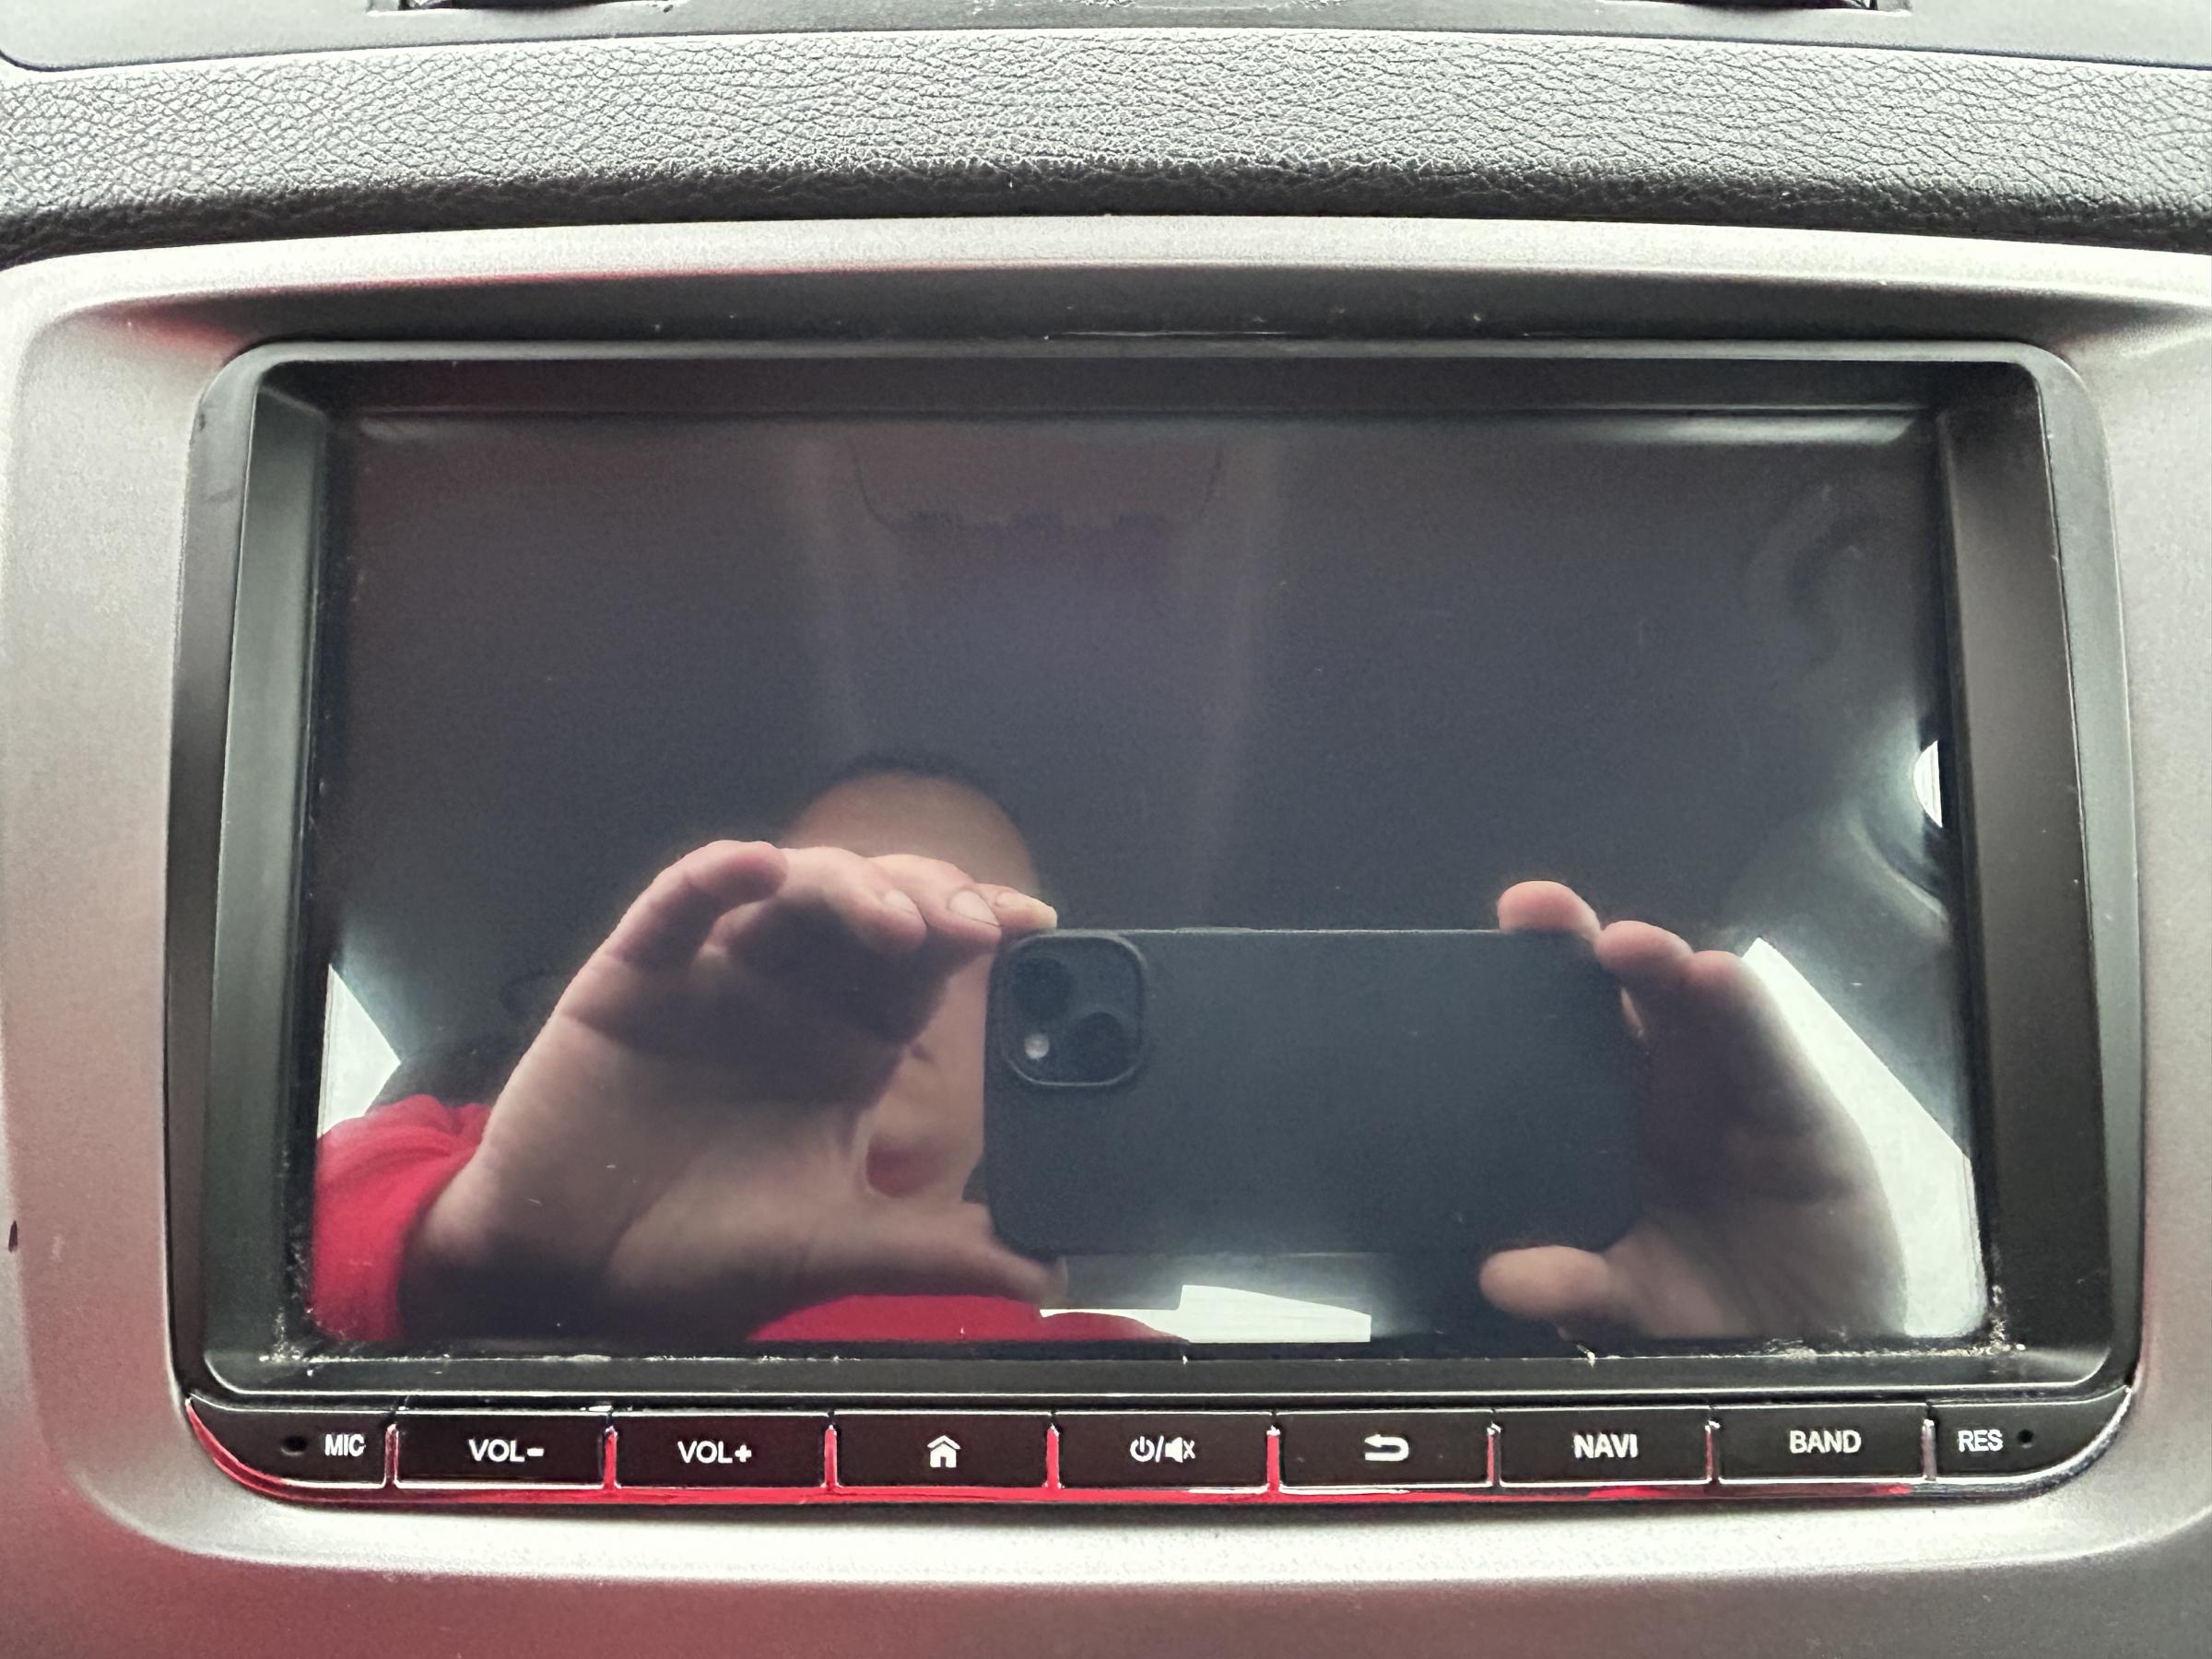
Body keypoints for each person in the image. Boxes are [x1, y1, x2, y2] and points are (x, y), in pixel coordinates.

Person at [312, 759, 1901, 1347]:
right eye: (837, 911)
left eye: (981, 939)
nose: (899, 954)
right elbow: (219, 1308)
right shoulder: (453, 1173)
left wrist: (1819, 1377)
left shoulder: (1132, 1379)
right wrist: (493, 1269)